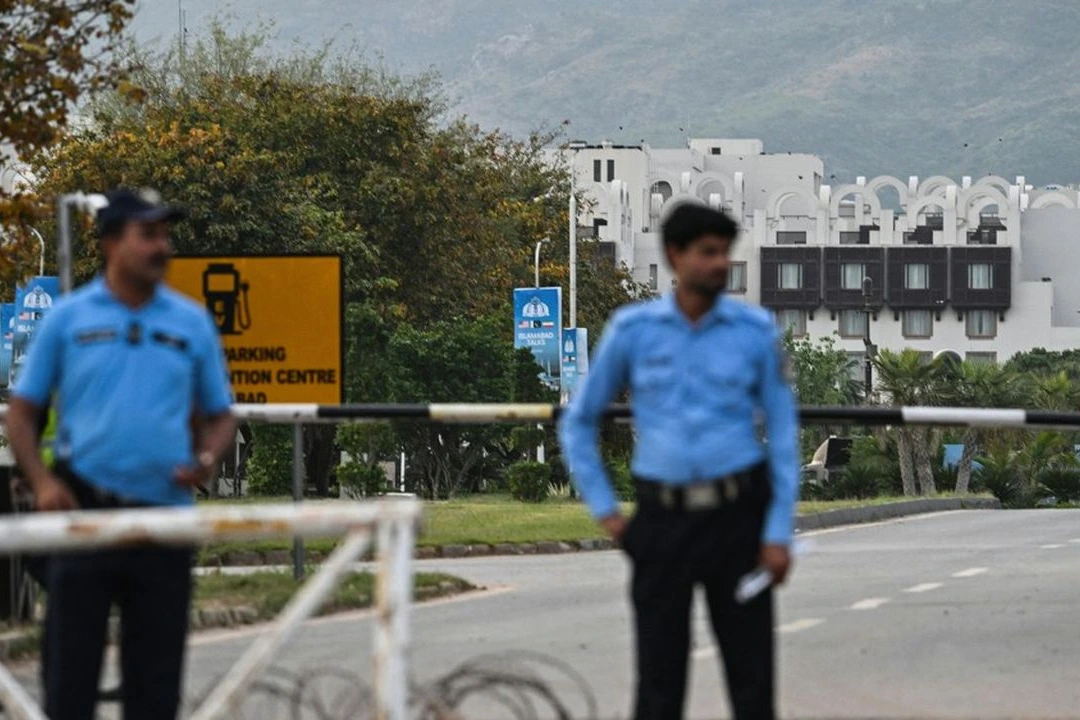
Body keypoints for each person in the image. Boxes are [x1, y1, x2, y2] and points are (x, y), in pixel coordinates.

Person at [558, 201, 800, 720]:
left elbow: (782, 433)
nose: (719, 264)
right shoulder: (632, 330)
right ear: (674, 255)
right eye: (707, 252)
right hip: (661, 522)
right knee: (659, 682)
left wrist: (777, 532)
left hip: (737, 520)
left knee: (752, 680)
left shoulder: (755, 332)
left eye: (725, 253)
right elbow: (580, 421)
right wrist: (609, 513)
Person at [4, 187, 237, 720]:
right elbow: (21, 413)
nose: (163, 247)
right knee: (70, 679)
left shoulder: (191, 321)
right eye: (148, 235)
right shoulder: (68, 319)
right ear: (111, 243)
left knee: (154, 687)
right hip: (83, 512)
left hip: (163, 517)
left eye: (165, 235)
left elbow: (221, 414)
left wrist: (206, 460)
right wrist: (41, 482)